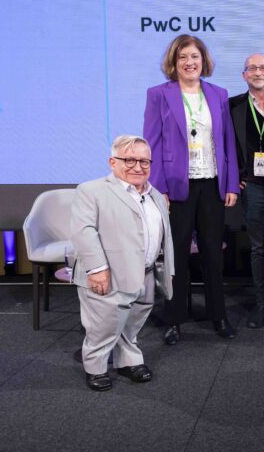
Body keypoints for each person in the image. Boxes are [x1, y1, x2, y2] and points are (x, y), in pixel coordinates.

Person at [143, 34, 240, 344]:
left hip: (212, 184)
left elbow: (228, 144)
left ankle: (218, 316)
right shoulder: (159, 95)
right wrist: (159, 188)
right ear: (174, 62)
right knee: (177, 256)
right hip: (175, 187)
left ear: (203, 61)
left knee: (214, 254)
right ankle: (174, 319)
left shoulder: (219, 94)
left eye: (194, 57)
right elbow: (152, 144)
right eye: (183, 57)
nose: (189, 62)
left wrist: (230, 182)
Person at [71, 135, 174, 391]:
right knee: (104, 325)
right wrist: (97, 270)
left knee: (132, 324)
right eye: (129, 159)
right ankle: (95, 367)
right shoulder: (91, 190)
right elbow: (83, 231)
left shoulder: (156, 195)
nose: (138, 166)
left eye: (144, 161)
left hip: (146, 273)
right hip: (109, 274)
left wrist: (166, 270)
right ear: (112, 162)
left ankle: (128, 361)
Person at [228, 54, 264, 328]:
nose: (258, 72)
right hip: (253, 187)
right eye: (252, 68)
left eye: (263, 67)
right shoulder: (233, 106)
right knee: (259, 249)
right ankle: (263, 305)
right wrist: (233, 176)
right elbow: (222, 145)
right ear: (244, 75)